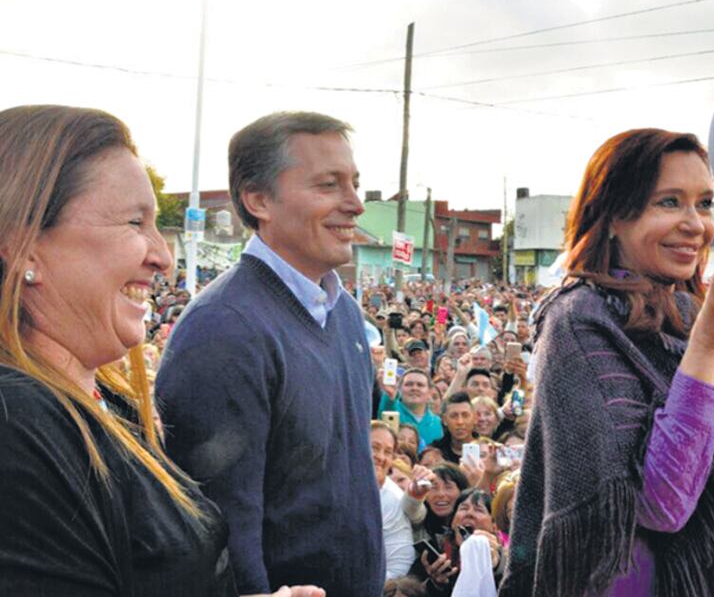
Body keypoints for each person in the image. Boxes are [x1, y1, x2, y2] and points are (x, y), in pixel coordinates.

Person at [499, 128, 714, 596]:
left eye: (704, 204)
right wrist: (706, 346)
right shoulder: (578, 320)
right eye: (669, 202)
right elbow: (662, 503)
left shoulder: (689, 313)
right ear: (613, 216)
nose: (696, 225)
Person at [0, 105, 323, 597]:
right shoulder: (17, 422)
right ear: (24, 246)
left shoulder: (105, 404)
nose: (163, 256)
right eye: (135, 222)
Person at [156, 111, 382, 596]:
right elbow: (218, 529)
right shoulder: (223, 329)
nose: (355, 204)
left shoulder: (343, 313)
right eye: (329, 185)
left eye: (354, 183)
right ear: (258, 200)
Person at [371, 422, 415, 579]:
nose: (380, 457)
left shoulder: (393, 499)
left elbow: (399, 568)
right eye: (374, 448)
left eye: (388, 452)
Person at [379, 369, 444, 446]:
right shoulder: (390, 408)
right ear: (400, 389)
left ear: (429, 392)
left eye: (420, 385)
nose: (414, 388)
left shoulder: (437, 422)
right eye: (409, 384)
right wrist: (389, 395)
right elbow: (388, 403)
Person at [431, 392, 478, 465]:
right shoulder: (435, 451)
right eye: (453, 416)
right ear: (444, 420)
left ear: (475, 418)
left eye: (465, 415)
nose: (460, 422)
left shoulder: (486, 449)